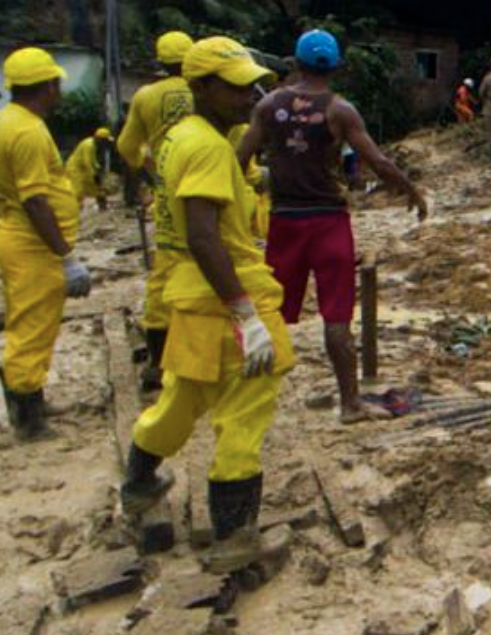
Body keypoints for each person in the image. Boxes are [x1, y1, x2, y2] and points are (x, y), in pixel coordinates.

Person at [117, 37, 296, 575]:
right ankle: (235, 537)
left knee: (181, 397)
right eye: (235, 88)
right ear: (199, 87)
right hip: (226, 295)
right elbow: (203, 234)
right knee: (244, 412)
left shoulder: (178, 136)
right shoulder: (210, 149)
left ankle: (140, 482)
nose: (249, 98)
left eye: (251, 86)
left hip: (191, 297)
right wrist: (245, 314)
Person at [237, 30, 428, 424]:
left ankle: (242, 399)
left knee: (270, 312)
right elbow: (377, 161)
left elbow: (236, 160)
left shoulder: (269, 106)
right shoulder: (340, 110)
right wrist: (411, 190)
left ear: (294, 62)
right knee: (337, 318)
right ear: (337, 67)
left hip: (284, 220)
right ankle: (350, 404)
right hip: (328, 222)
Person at [0, 47, 89, 440]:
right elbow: (35, 200)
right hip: (30, 242)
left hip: (16, 234)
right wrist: (66, 256)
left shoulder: (0, 121)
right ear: (48, 86)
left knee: (33, 324)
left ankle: (32, 394)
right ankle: (27, 417)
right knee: (31, 329)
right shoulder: (27, 130)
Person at [118, 31, 196, 387]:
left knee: (165, 271)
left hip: (168, 194)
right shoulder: (207, 91)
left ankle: (159, 361)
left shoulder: (145, 96)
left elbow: (127, 146)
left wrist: (151, 171)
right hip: (210, 187)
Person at [66, 126, 115, 211]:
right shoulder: (88, 145)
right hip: (75, 168)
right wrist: (94, 175)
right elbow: (87, 162)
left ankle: (101, 205)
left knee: (95, 187)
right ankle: (73, 209)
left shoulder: (94, 145)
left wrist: (97, 167)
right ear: (100, 139)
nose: (106, 144)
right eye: (105, 141)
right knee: (78, 190)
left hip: (83, 169)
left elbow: (92, 160)